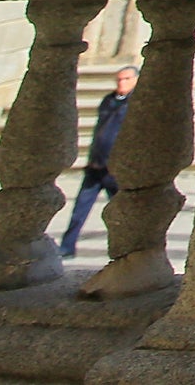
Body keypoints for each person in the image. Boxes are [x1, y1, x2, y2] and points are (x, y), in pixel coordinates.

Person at [58, 65, 134, 257]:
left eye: (126, 79)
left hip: (116, 168)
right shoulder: (109, 100)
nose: (121, 83)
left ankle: (127, 247)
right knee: (80, 209)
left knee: (121, 212)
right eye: (119, 79)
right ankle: (67, 246)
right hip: (96, 165)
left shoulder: (136, 103)